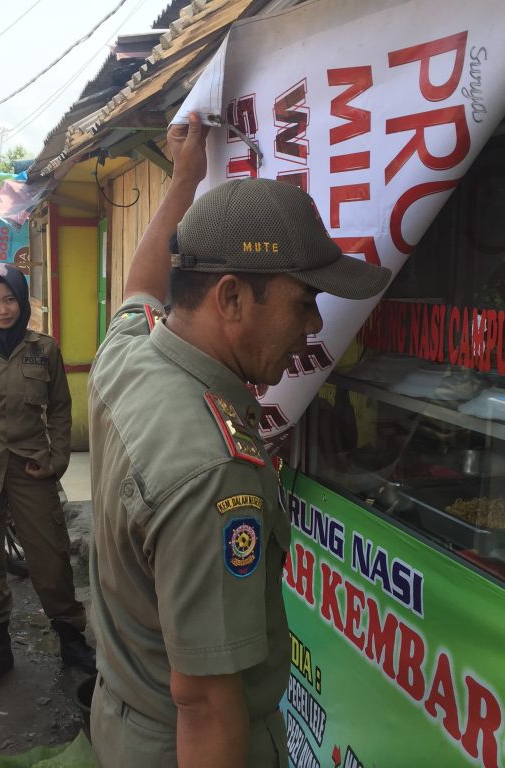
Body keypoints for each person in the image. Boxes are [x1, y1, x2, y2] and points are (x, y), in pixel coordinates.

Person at [87, 114, 391, 767]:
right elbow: (204, 701)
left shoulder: (129, 352)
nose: (314, 325)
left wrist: (184, 177)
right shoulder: (212, 470)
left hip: (123, 714)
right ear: (229, 298)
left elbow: (141, 283)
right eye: (304, 300)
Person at [0, 262, 95, 693]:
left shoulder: (43, 349)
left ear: (22, 299)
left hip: (33, 468)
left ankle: (71, 639)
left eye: (9, 299)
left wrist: (58, 459)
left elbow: (62, 408)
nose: (2, 309)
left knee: (50, 557)